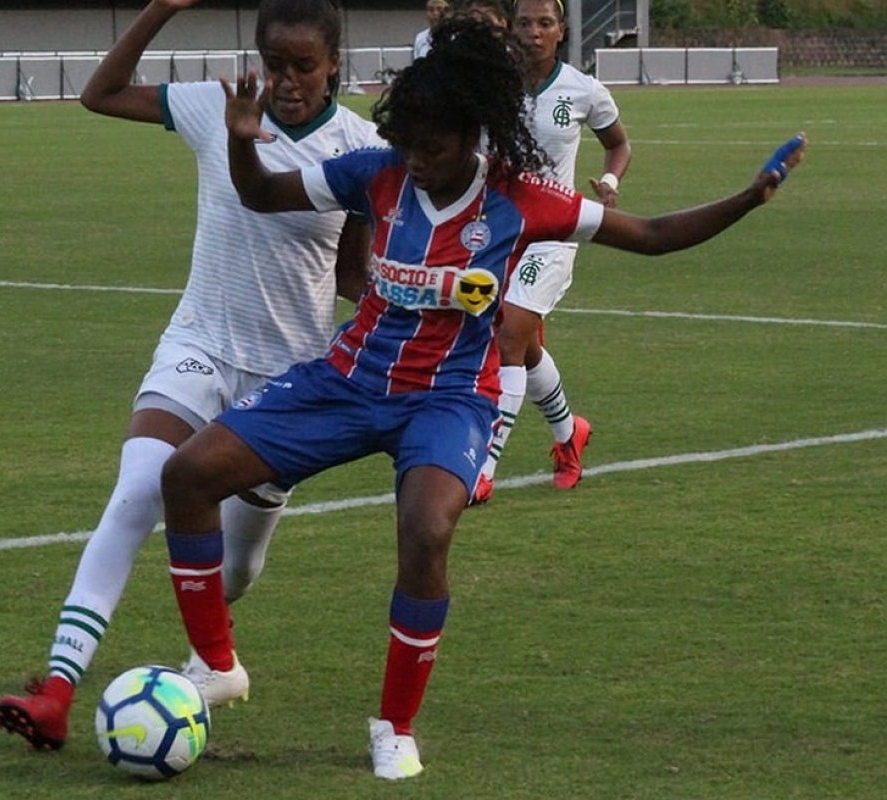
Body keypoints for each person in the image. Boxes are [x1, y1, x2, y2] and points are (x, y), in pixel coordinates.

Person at [158, 17, 805, 780]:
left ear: (475, 136)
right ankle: (217, 664)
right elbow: (261, 193)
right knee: (188, 475)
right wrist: (240, 136)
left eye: (433, 148)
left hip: (448, 399)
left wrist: (750, 198)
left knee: (427, 530)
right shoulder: (378, 173)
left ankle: (395, 725)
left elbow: (654, 233)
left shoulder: (528, 201)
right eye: (410, 146)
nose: (418, 162)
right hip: (349, 380)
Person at [0, 0, 384, 752]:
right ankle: (58, 688)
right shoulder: (212, 106)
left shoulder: (360, 146)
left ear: (334, 62)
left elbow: (347, 270)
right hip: (198, 343)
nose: (289, 80)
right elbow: (99, 95)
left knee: (235, 566)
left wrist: (398, 303)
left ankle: (216, 659)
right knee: (138, 491)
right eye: (276, 64)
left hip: (285, 378)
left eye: (305, 66)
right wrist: (161, 10)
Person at [471, 0, 632, 503]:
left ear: (561, 31)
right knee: (525, 344)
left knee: (509, 335)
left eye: (545, 23)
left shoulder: (584, 91)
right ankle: (570, 435)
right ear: (511, 28)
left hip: (554, 229)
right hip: (496, 232)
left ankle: (483, 467)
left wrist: (608, 180)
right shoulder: (491, 85)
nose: (534, 32)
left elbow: (619, 145)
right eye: (525, 23)